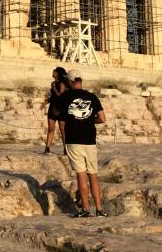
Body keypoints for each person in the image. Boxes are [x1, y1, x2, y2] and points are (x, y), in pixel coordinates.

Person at [56, 70, 107, 218]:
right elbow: (102, 118)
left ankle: (85, 209)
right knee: (93, 175)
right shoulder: (91, 97)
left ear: (69, 82)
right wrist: (91, 120)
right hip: (90, 140)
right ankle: (99, 209)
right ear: (81, 81)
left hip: (73, 140)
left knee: (81, 176)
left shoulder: (65, 97)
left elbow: (56, 112)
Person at [42, 67, 70, 154]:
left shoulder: (61, 83)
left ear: (57, 73)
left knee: (63, 130)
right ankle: (47, 148)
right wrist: (46, 102)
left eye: (54, 71)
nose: (52, 72)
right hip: (53, 108)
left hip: (61, 109)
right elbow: (54, 96)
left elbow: (60, 96)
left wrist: (54, 88)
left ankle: (66, 149)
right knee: (51, 129)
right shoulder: (55, 82)